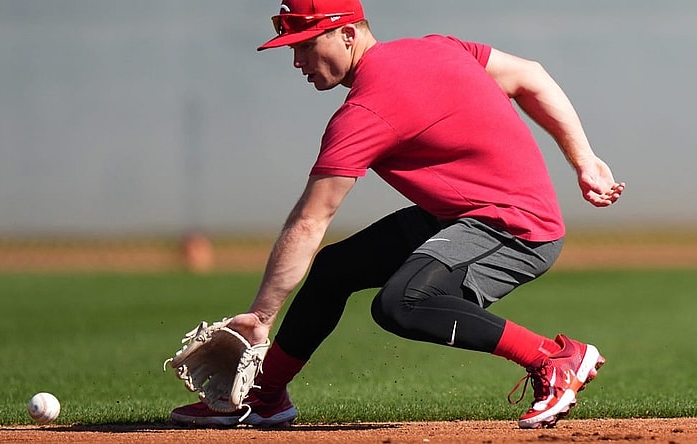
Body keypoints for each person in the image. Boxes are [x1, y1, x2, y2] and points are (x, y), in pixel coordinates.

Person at [171, 0, 625, 430]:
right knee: (334, 270)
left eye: (307, 44)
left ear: (347, 33)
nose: (298, 61)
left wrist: (261, 316)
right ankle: (266, 397)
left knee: (401, 303)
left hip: (515, 227)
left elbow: (311, 221)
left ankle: (552, 357)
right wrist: (584, 159)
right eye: (294, 48)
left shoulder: (365, 112)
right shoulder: (436, 47)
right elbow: (531, 75)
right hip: (459, 214)